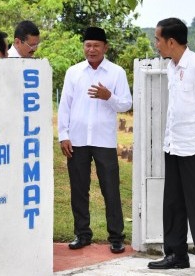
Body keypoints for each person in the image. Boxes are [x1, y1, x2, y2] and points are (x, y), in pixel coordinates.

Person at [147, 18, 195, 276]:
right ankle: (176, 254)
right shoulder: (171, 66)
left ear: (171, 41)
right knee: (173, 202)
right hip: (175, 143)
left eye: (158, 39)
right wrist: (168, 139)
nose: (156, 44)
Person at [57, 27, 132, 254]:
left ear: (105, 47)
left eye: (96, 46)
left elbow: (126, 104)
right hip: (77, 139)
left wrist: (108, 96)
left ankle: (116, 236)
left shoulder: (116, 72)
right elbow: (65, 105)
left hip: (104, 140)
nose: (91, 50)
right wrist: (64, 135)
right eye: (88, 45)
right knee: (79, 189)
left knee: (110, 189)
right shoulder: (74, 72)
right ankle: (82, 234)